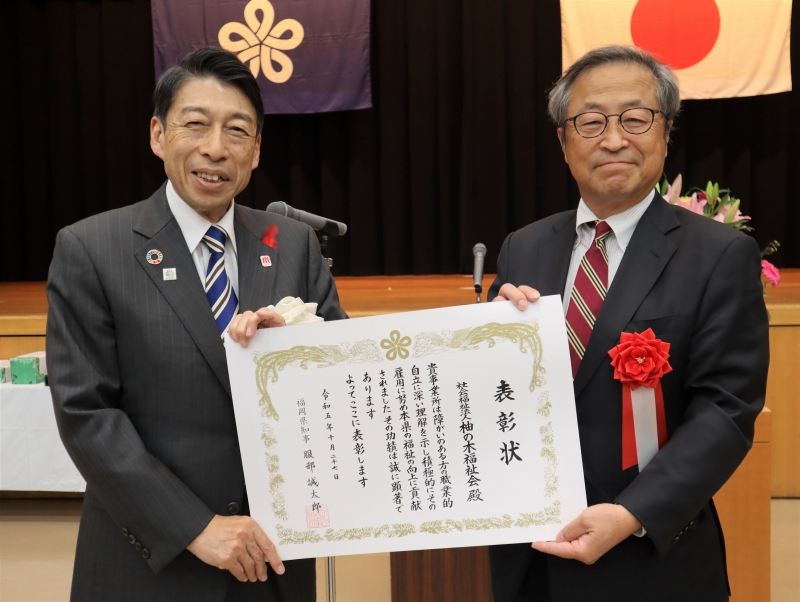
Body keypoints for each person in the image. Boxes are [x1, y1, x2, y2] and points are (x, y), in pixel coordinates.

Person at [46, 47, 345, 601]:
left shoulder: (294, 247)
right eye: (196, 125)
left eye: (237, 131)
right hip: (149, 567)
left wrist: (303, 348)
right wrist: (195, 528)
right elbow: (86, 413)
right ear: (159, 135)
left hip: (271, 565)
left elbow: (345, 376)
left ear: (256, 152)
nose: (215, 148)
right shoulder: (91, 248)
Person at [487, 45, 769, 602]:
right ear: (564, 143)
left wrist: (632, 513)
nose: (613, 139)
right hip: (530, 561)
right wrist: (486, 340)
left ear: (665, 132)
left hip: (650, 560)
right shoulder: (523, 247)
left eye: (635, 118)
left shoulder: (719, 255)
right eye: (590, 122)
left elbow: (726, 410)